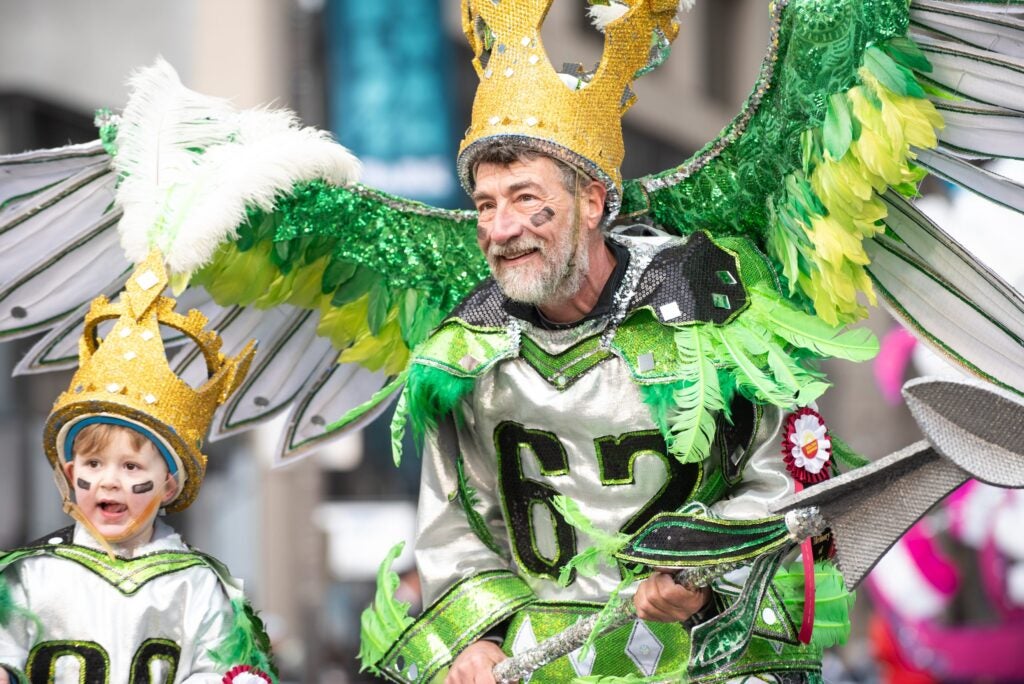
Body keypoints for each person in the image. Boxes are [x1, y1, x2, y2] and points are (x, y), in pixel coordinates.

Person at [0, 253, 273, 684]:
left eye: (130, 466)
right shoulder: (27, 576)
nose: (109, 480)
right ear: (71, 475)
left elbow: (220, 666)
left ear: (168, 485)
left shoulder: (195, 585)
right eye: (93, 463)